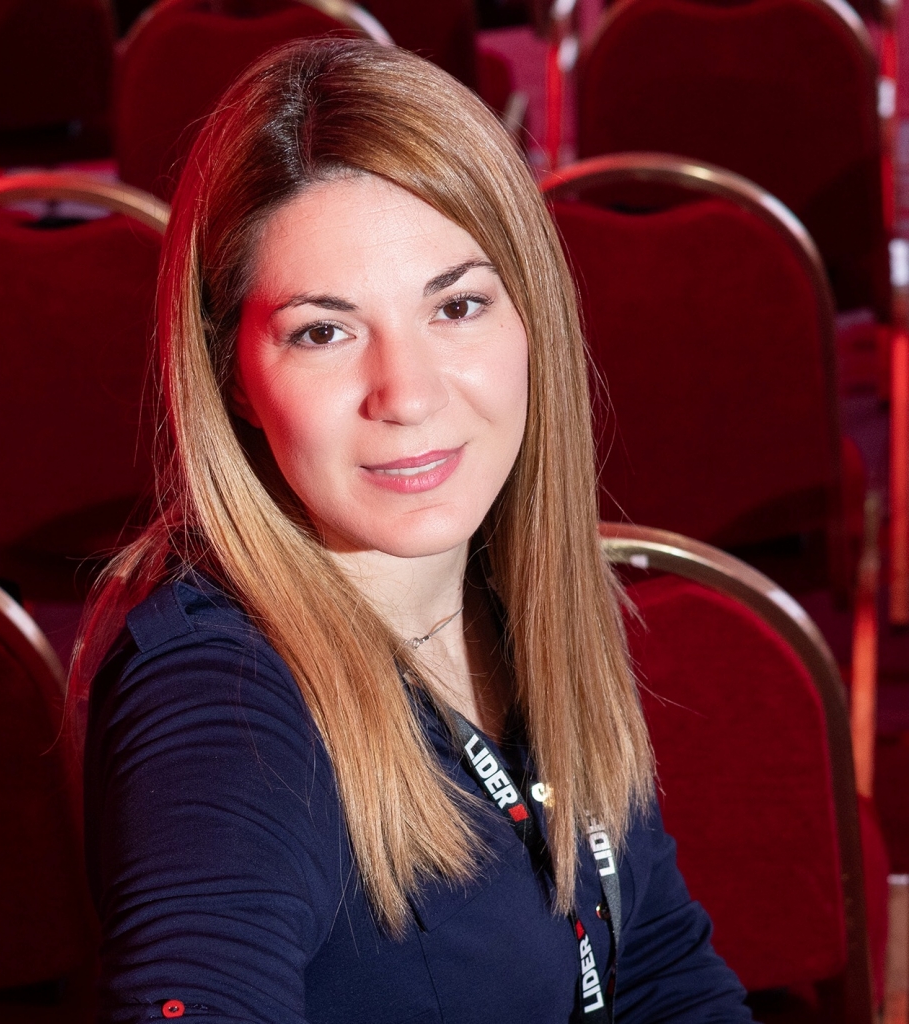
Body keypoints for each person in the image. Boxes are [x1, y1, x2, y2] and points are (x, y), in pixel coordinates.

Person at [73, 38, 752, 1024]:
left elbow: (654, 967)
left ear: (532, 319)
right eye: (323, 331)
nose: (407, 393)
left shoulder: (519, 593)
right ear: (233, 379)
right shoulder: (224, 699)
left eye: (457, 305)